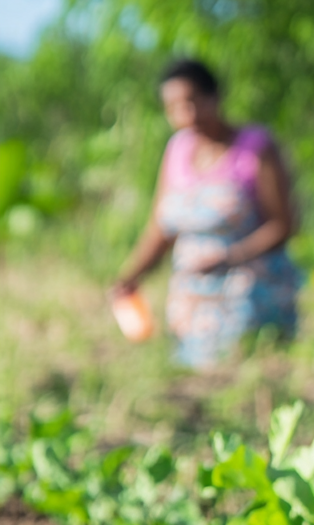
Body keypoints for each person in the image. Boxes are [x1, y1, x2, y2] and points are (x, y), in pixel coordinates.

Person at [113, 59, 301, 370]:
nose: (186, 115)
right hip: (192, 307)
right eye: (173, 107)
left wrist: (230, 257)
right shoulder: (177, 150)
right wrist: (131, 276)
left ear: (215, 97)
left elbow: (283, 225)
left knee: (245, 381)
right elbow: (162, 226)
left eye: (192, 102)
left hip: (251, 298)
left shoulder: (255, 148)